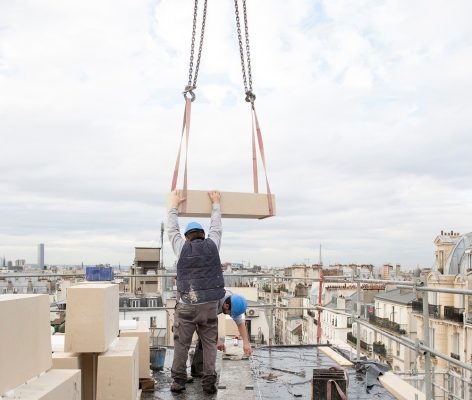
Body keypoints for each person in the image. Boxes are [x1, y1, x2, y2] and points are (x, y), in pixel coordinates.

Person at [167, 189, 225, 395]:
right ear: (202, 235)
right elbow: (216, 228)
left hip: (187, 305)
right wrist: (215, 203)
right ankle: (209, 382)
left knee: (181, 344)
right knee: (209, 344)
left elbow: (171, 229)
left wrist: (173, 205)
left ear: (187, 237)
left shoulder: (182, 247)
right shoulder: (213, 246)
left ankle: (178, 382)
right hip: (210, 305)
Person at [190, 291, 253, 379]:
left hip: (206, 313)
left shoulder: (232, 301)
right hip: (192, 310)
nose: (230, 315)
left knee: (209, 338)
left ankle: (199, 370)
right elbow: (202, 325)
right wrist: (216, 340)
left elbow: (240, 323)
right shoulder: (213, 300)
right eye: (229, 313)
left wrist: (246, 343)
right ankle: (201, 374)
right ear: (226, 305)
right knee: (194, 340)